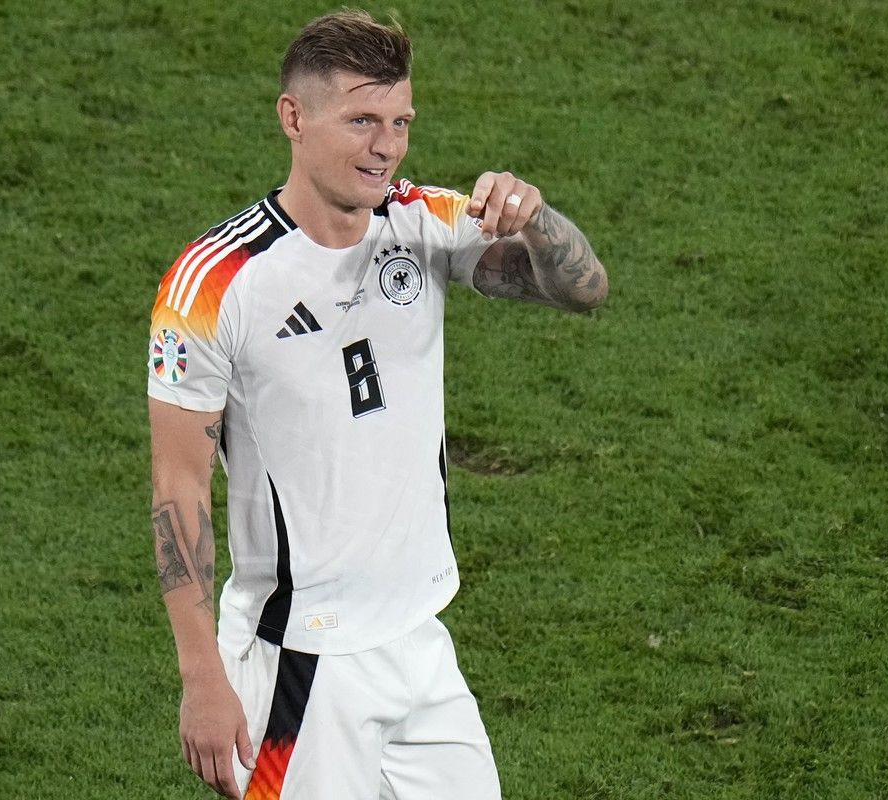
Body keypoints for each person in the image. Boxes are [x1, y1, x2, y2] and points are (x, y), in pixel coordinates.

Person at [146, 10, 607, 799]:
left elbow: (584, 290)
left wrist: (536, 221)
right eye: (362, 120)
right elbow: (177, 488)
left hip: (418, 640)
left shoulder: (421, 220)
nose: (386, 146)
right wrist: (202, 678)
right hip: (300, 662)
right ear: (294, 118)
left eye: (400, 122)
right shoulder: (214, 284)